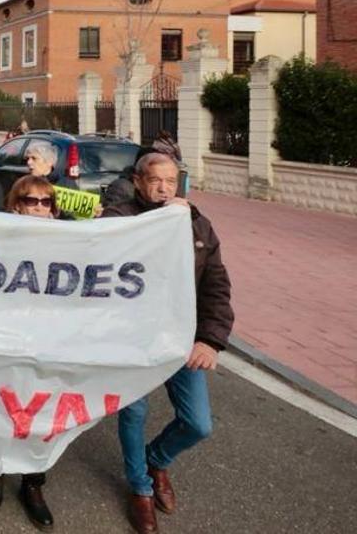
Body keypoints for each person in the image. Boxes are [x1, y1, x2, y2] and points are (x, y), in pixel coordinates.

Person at [102, 152, 233, 534]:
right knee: (135, 413)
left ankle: (154, 461)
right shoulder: (120, 218)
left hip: (180, 339)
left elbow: (216, 286)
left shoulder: (197, 225)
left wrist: (210, 340)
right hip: (133, 340)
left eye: (171, 182)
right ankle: (140, 489)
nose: (164, 189)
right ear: (139, 182)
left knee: (198, 423)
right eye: (156, 181)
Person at [0, 175, 61, 528]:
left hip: (48, 342)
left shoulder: (73, 241)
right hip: (5, 337)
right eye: (31, 201)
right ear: (15, 205)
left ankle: (33, 483)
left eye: (46, 202)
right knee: (1, 404)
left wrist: (181, 213)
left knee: (41, 413)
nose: (39, 208)